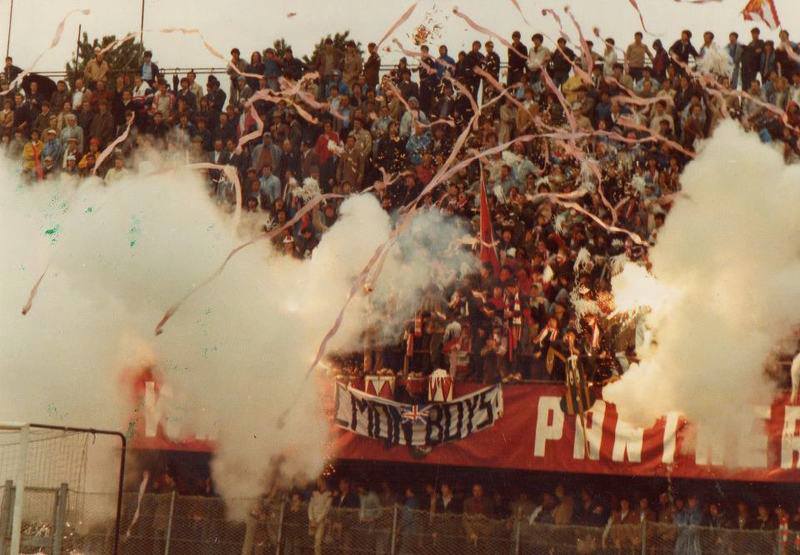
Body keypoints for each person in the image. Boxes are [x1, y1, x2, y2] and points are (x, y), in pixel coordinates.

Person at [308, 478, 332, 555]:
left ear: (324, 482)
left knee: (318, 540)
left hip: (321, 521)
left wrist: (317, 520)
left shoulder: (329, 494)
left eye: (320, 481)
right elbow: (310, 506)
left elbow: (326, 509)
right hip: (312, 519)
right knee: (311, 539)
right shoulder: (314, 493)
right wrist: (311, 518)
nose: (318, 483)